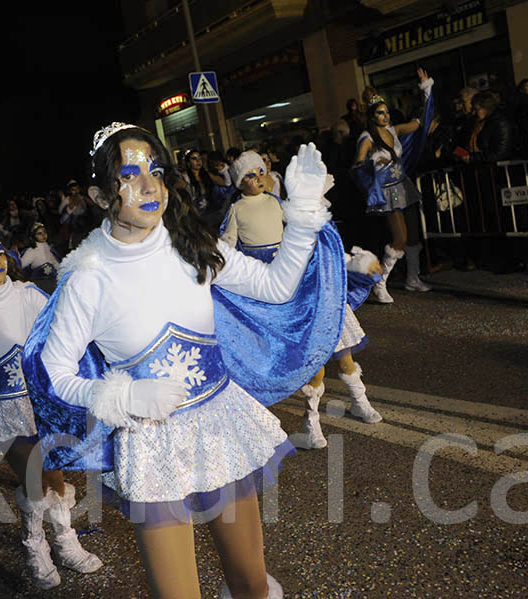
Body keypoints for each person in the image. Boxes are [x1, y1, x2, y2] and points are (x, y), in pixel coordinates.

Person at [25, 123, 341, 598]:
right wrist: (122, 393)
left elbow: (277, 286)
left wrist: (300, 215)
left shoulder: (193, 246)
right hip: (152, 446)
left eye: (156, 170)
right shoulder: (89, 277)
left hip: (220, 425)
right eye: (129, 175)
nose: (149, 186)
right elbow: (55, 373)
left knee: (251, 582)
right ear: (99, 194)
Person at [0, 231, 102, 589]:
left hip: (41, 404)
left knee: (55, 477)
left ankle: (65, 541)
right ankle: (34, 546)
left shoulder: (28, 295)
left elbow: (63, 328)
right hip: (6, 413)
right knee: (33, 477)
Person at [221, 151, 383, 450]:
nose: (257, 179)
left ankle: (359, 400)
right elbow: (227, 251)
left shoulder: (278, 204)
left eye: (260, 172)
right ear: (238, 183)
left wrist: (349, 261)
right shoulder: (237, 211)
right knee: (312, 358)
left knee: (342, 345)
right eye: (248, 176)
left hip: (304, 280)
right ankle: (312, 422)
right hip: (273, 288)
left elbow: (310, 236)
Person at [353, 68, 435, 303]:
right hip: (388, 193)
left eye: (387, 111)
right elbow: (357, 166)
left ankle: (412, 278)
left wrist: (426, 89)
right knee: (399, 237)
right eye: (380, 113)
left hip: (403, 186)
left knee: (412, 236)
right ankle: (380, 282)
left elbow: (420, 123)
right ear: (371, 115)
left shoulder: (393, 129)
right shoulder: (366, 138)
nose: (386, 116)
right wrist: (371, 163)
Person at [20, 222, 60, 293]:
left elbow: (55, 263)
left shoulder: (49, 248)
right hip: (38, 282)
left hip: (52, 281)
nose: (43, 235)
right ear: (33, 236)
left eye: (44, 232)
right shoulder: (31, 251)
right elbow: (21, 265)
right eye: (39, 233)